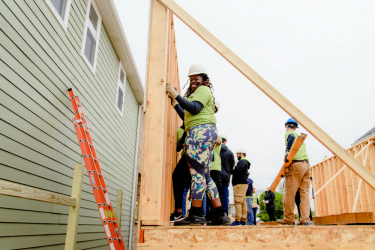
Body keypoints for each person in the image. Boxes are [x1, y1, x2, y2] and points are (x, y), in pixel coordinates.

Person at [166, 63, 230, 226]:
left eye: (197, 78)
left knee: (197, 175)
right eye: (191, 79)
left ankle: (196, 215)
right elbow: (189, 116)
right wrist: (176, 104)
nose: (194, 81)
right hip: (203, 132)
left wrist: (177, 95)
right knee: (205, 175)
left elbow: (194, 109)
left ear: (205, 80)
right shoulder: (198, 94)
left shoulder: (202, 90)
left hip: (199, 134)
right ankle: (221, 215)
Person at [277, 118, 310, 226]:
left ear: (286, 126)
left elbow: (290, 137)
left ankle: (289, 218)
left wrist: (287, 151)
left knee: (290, 193)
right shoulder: (299, 138)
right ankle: (305, 219)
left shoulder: (290, 133)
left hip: (295, 165)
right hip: (306, 165)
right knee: (304, 194)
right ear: (296, 127)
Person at [170, 126, 191, 222]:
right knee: (189, 181)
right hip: (191, 152)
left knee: (177, 176)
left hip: (192, 152)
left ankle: (179, 213)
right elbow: (178, 148)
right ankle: (197, 214)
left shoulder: (192, 122)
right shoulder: (180, 130)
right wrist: (182, 138)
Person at [230, 149, 250, 226]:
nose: (236, 155)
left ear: (241, 154)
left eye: (237, 154)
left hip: (240, 183)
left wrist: (230, 170)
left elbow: (238, 171)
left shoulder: (242, 161)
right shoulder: (246, 162)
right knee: (243, 202)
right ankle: (243, 220)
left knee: (238, 201)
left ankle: (237, 220)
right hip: (243, 184)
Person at [219, 134, 235, 215]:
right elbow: (232, 166)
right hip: (225, 177)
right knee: (225, 197)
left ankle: (215, 216)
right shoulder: (230, 152)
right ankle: (225, 216)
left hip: (216, 176)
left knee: (215, 196)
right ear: (225, 141)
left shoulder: (215, 150)